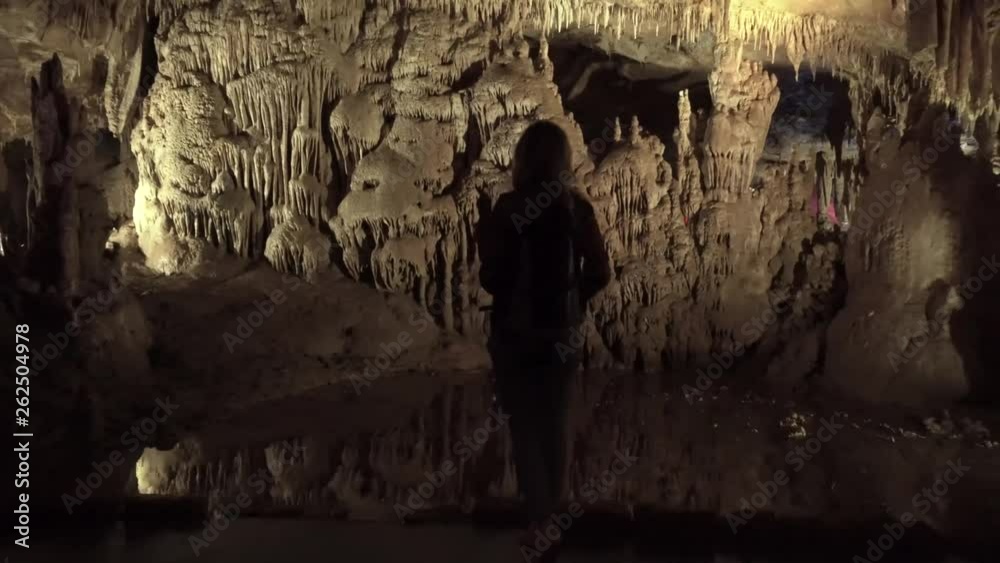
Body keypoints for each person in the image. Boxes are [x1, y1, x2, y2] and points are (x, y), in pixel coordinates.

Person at [477, 120, 611, 560]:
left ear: (521, 161)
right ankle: (555, 519)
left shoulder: (509, 208)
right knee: (556, 427)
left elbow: (492, 277)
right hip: (561, 337)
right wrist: (574, 301)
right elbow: (600, 272)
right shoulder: (576, 209)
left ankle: (538, 523)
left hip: (516, 337)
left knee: (525, 430)